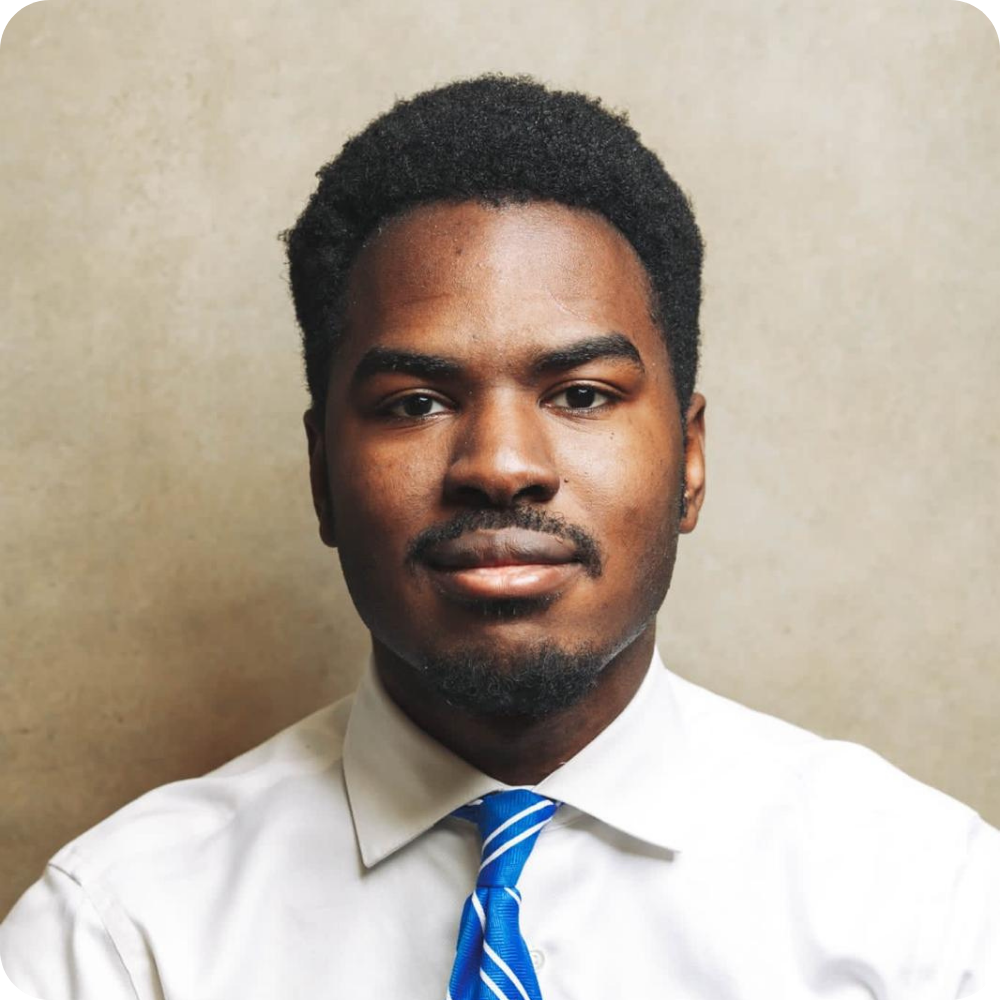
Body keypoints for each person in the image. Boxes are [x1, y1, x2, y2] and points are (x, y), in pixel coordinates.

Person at [1, 74, 997, 999]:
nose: (500, 463)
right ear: (320, 474)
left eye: (579, 393)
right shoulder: (117, 940)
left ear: (688, 459)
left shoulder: (926, 908)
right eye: (416, 400)